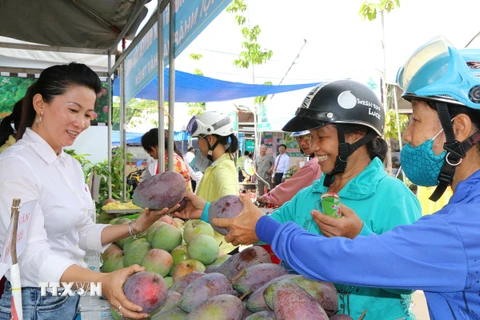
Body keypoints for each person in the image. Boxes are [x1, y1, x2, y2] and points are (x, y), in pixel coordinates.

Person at [210, 37, 480, 319]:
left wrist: (268, 229)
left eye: (415, 120)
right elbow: (389, 261)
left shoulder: (463, 227)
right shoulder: (464, 213)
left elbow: (345, 261)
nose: (408, 135)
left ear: (458, 128)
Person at [179, 79, 423, 319]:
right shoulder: (309, 197)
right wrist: (207, 211)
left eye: (321, 136)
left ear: (356, 136)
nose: (313, 147)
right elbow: (257, 227)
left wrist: (358, 237)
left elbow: (409, 277)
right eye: (312, 137)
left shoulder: (393, 198)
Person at [0, 63, 178, 320]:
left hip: (69, 296)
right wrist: (101, 280)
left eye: (88, 115)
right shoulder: (16, 165)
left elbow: (81, 231)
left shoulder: (69, 165)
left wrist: (136, 227)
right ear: (40, 104)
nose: (81, 123)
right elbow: (27, 254)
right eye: (73, 110)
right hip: (34, 303)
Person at [185, 111, 240, 254]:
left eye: (198, 139)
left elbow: (232, 210)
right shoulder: (217, 165)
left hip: (220, 249)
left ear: (209, 139)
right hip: (209, 244)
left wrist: (205, 212)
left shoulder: (223, 169)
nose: (197, 144)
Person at [257, 131, 321, 207]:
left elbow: (292, 187)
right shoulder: (277, 157)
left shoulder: (314, 164)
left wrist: (267, 197)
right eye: (298, 139)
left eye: (307, 138)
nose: (302, 143)